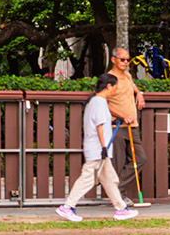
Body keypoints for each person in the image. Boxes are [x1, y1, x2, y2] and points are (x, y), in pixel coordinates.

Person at [57, 74, 137, 224]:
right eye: (114, 87)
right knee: (87, 178)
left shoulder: (95, 102)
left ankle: (120, 209)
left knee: (110, 180)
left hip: (99, 149)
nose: (115, 90)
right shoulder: (99, 102)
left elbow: (102, 121)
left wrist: (114, 121)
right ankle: (68, 206)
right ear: (108, 87)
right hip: (98, 149)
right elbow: (99, 125)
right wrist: (103, 147)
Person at [107, 46, 146, 206]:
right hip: (117, 126)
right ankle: (118, 196)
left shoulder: (128, 76)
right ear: (113, 60)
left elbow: (133, 88)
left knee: (140, 159)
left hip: (132, 125)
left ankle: (115, 190)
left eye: (127, 59)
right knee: (119, 162)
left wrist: (140, 94)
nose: (125, 62)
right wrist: (122, 116)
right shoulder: (108, 79)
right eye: (122, 59)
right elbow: (102, 101)